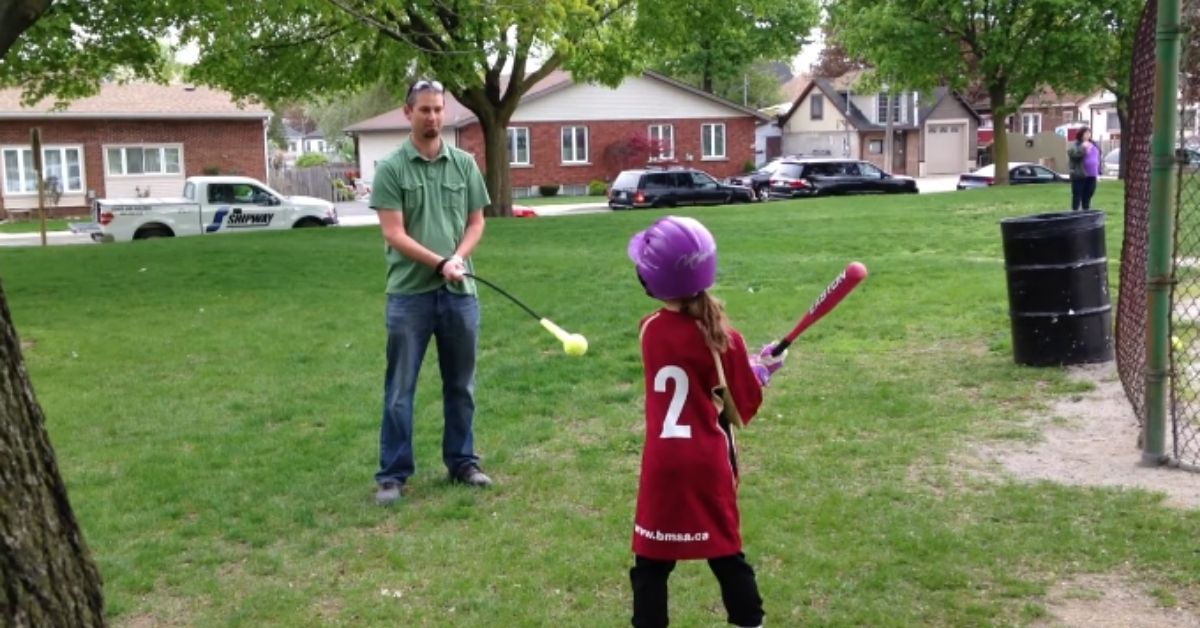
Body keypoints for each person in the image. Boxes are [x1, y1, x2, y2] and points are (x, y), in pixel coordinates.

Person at [626, 216, 787, 628]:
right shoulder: (725, 338)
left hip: (663, 465)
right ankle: (749, 621)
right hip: (707, 463)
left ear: (652, 280)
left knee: (651, 565)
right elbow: (742, 405)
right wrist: (760, 372)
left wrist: (746, 364)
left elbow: (688, 363)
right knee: (726, 555)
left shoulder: (649, 330)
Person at [369, 78, 492, 506]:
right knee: (400, 389)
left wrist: (457, 257)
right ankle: (393, 475)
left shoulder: (464, 164)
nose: (433, 117)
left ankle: (463, 463)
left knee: (461, 386)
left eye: (438, 109)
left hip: (460, 295)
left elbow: (477, 222)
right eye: (424, 109)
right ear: (408, 113)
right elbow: (393, 233)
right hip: (409, 296)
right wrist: (439, 262)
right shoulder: (391, 168)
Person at [1066, 127, 1102, 211]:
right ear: (1081, 135)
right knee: (1077, 194)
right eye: (1086, 133)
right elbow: (1073, 156)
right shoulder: (1077, 145)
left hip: (1092, 174)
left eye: (1089, 133)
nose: (1088, 135)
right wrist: (1083, 149)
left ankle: (1086, 211)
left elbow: (1097, 157)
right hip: (1081, 173)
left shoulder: (1094, 144)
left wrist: (1099, 169)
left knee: (1089, 193)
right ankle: (1075, 212)